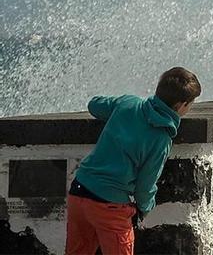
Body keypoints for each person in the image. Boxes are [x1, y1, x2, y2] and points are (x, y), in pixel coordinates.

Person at [66, 66, 200, 255]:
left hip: (79, 192)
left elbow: (94, 105)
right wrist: (145, 208)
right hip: (110, 205)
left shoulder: (128, 103)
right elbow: (145, 185)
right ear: (181, 105)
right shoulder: (161, 138)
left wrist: (118, 112)